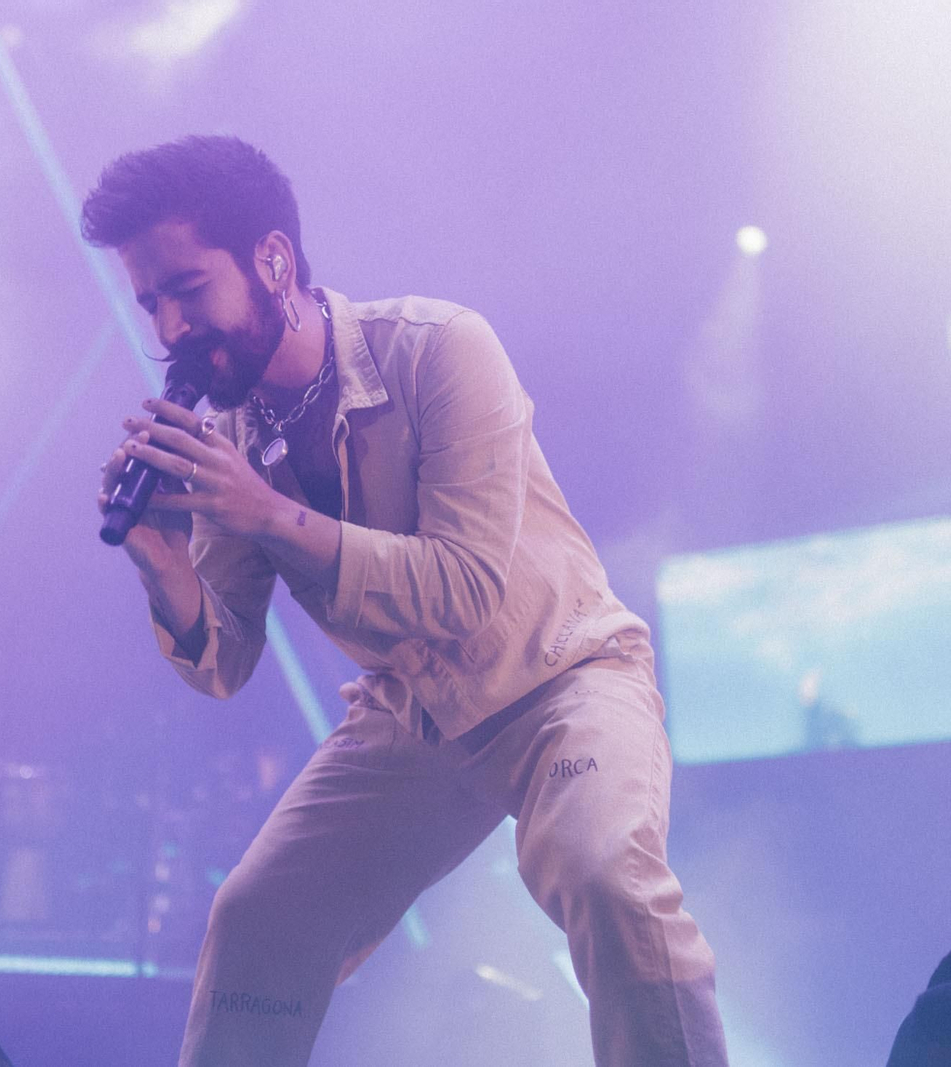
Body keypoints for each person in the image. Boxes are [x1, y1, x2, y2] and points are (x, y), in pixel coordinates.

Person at [85, 135, 727, 1067]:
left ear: (273, 259)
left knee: (607, 878)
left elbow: (464, 589)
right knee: (260, 917)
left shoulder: (439, 349)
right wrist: (160, 560)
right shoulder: (230, 435)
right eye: (151, 305)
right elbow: (223, 662)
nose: (171, 330)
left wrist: (261, 509)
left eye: (187, 290)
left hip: (564, 677)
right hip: (413, 714)